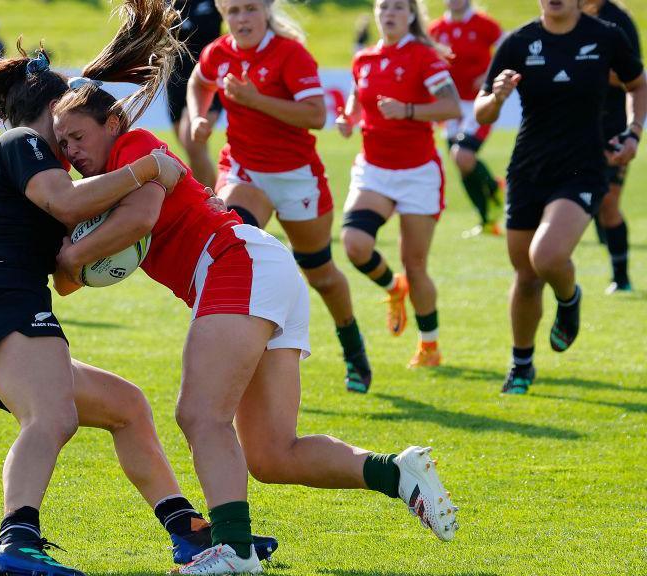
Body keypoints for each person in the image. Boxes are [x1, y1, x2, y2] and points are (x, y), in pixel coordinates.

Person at [52, 16, 459, 576]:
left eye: (79, 136)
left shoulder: (136, 147)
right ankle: (396, 472)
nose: (72, 150)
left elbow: (142, 215)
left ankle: (235, 553)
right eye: (63, 142)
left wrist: (71, 259)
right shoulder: (108, 176)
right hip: (258, 267)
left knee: (200, 415)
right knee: (271, 453)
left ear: (114, 121)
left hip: (235, 262)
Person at [0, 4, 276, 574]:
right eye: (64, 119)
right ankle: (15, 541)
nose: (72, 144)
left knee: (125, 406)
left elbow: (67, 278)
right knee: (52, 417)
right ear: (49, 110)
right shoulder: (21, 143)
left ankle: (186, 531)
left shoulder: (47, 166)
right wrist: (148, 171)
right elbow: (69, 205)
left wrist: (91, 256)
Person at [186, 0, 374, 393]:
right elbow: (198, 82)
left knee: (320, 273)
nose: (241, 19)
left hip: (295, 178)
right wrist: (200, 115)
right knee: (233, 249)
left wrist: (256, 100)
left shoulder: (291, 54)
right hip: (243, 171)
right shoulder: (217, 52)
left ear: (267, 10)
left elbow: (315, 115)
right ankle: (239, 357)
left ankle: (353, 348)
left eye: (250, 9)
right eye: (233, 11)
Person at [475, 0, 645, 394]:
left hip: (583, 166)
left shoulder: (605, 36)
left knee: (547, 255)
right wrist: (496, 98)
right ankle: (522, 364)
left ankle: (569, 301)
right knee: (527, 277)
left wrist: (634, 130)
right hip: (528, 170)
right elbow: (482, 112)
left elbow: (638, 82)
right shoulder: (519, 41)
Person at [335, 0, 462, 369]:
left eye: (398, 7)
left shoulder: (424, 56)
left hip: (418, 172)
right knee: (355, 245)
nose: (389, 12)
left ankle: (429, 346)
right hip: (374, 169)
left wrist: (408, 111)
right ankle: (394, 287)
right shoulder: (365, 58)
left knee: (415, 263)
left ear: (411, 15)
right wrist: (348, 117)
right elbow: (358, 99)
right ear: (377, 14)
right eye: (384, 7)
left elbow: (452, 106)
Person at [429, 0, 505, 237]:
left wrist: (487, 75)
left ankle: (495, 189)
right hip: (451, 106)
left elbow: (508, 51)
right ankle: (487, 220)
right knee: (462, 165)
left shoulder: (485, 24)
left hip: (480, 103)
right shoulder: (435, 29)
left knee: (462, 155)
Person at [582, 0, 642, 293]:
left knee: (608, 202)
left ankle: (621, 277)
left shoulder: (619, 22)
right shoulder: (564, 15)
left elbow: (633, 76)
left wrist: (589, 67)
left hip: (612, 125)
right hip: (573, 127)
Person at [168, 0, 224, 185]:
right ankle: (211, 197)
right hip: (175, 80)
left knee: (192, 142)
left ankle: (211, 205)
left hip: (207, 78)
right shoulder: (166, 3)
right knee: (191, 147)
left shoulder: (213, 3)